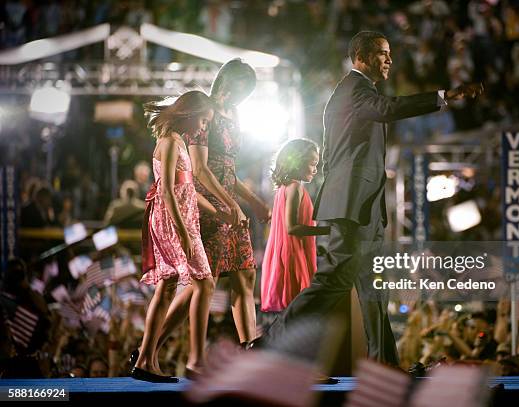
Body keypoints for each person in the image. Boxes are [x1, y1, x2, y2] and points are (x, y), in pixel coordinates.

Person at [254, 31, 483, 368]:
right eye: (382, 53)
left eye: (390, 53)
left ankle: (384, 366)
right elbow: (389, 109)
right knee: (330, 283)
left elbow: (335, 156)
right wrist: (443, 95)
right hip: (351, 212)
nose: (389, 59)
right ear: (360, 57)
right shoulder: (355, 90)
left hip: (361, 211)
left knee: (375, 295)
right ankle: (267, 345)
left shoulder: (355, 92)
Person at [156, 59, 269, 355]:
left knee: (246, 271)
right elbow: (201, 169)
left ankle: (249, 344)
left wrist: (252, 200)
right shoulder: (204, 113)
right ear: (227, 83)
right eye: (241, 89)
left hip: (231, 201)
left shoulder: (236, 115)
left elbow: (229, 169)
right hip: (209, 202)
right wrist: (232, 204)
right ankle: (150, 346)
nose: (242, 97)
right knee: (203, 282)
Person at [131, 90, 220, 383]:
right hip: (172, 221)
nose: (204, 128)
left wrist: (217, 211)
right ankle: (158, 359)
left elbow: (188, 188)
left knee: (172, 286)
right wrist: (181, 229)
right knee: (199, 282)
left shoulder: (180, 141)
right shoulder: (168, 142)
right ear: (190, 114)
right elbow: (167, 189)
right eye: (204, 121)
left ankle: (147, 359)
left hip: (184, 219)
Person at [260, 139, 330, 312]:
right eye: (312, 164)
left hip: (291, 253)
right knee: (298, 308)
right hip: (293, 255)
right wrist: (327, 230)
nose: (315, 170)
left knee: (293, 311)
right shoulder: (295, 188)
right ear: (298, 162)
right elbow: (292, 228)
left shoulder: (284, 188)